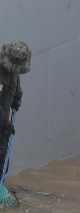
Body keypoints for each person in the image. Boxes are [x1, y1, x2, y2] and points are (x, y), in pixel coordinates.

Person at [0, 41, 31, 172]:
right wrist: (5, 123)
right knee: (1, 151)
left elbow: (15, 75)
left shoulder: (13, 67)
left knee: (4, 153)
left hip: (3, 115)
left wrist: (17, 94)